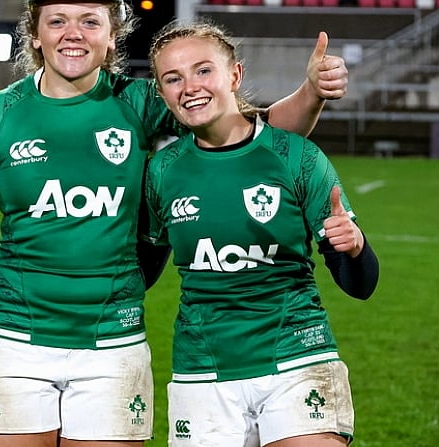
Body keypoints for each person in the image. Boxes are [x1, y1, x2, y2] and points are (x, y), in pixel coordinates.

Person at [0, 1, 350, 445]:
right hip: (13, 338)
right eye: (57, 20)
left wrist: (312, 93)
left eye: (89, 20)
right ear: (35, 33)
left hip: (113, 340)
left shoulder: (141, 101)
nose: (72, 32)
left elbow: (253, 137)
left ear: (111, 35)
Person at [144, 20, 379, 447]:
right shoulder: (162, 171)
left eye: (203, 70)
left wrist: (355, 247)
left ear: (235, 74)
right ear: (161, 92)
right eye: (172, 78)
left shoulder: (297, 157)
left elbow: (359, 284)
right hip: (203, 369)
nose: (189, 86)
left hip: (298, 357)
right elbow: (140, 271)